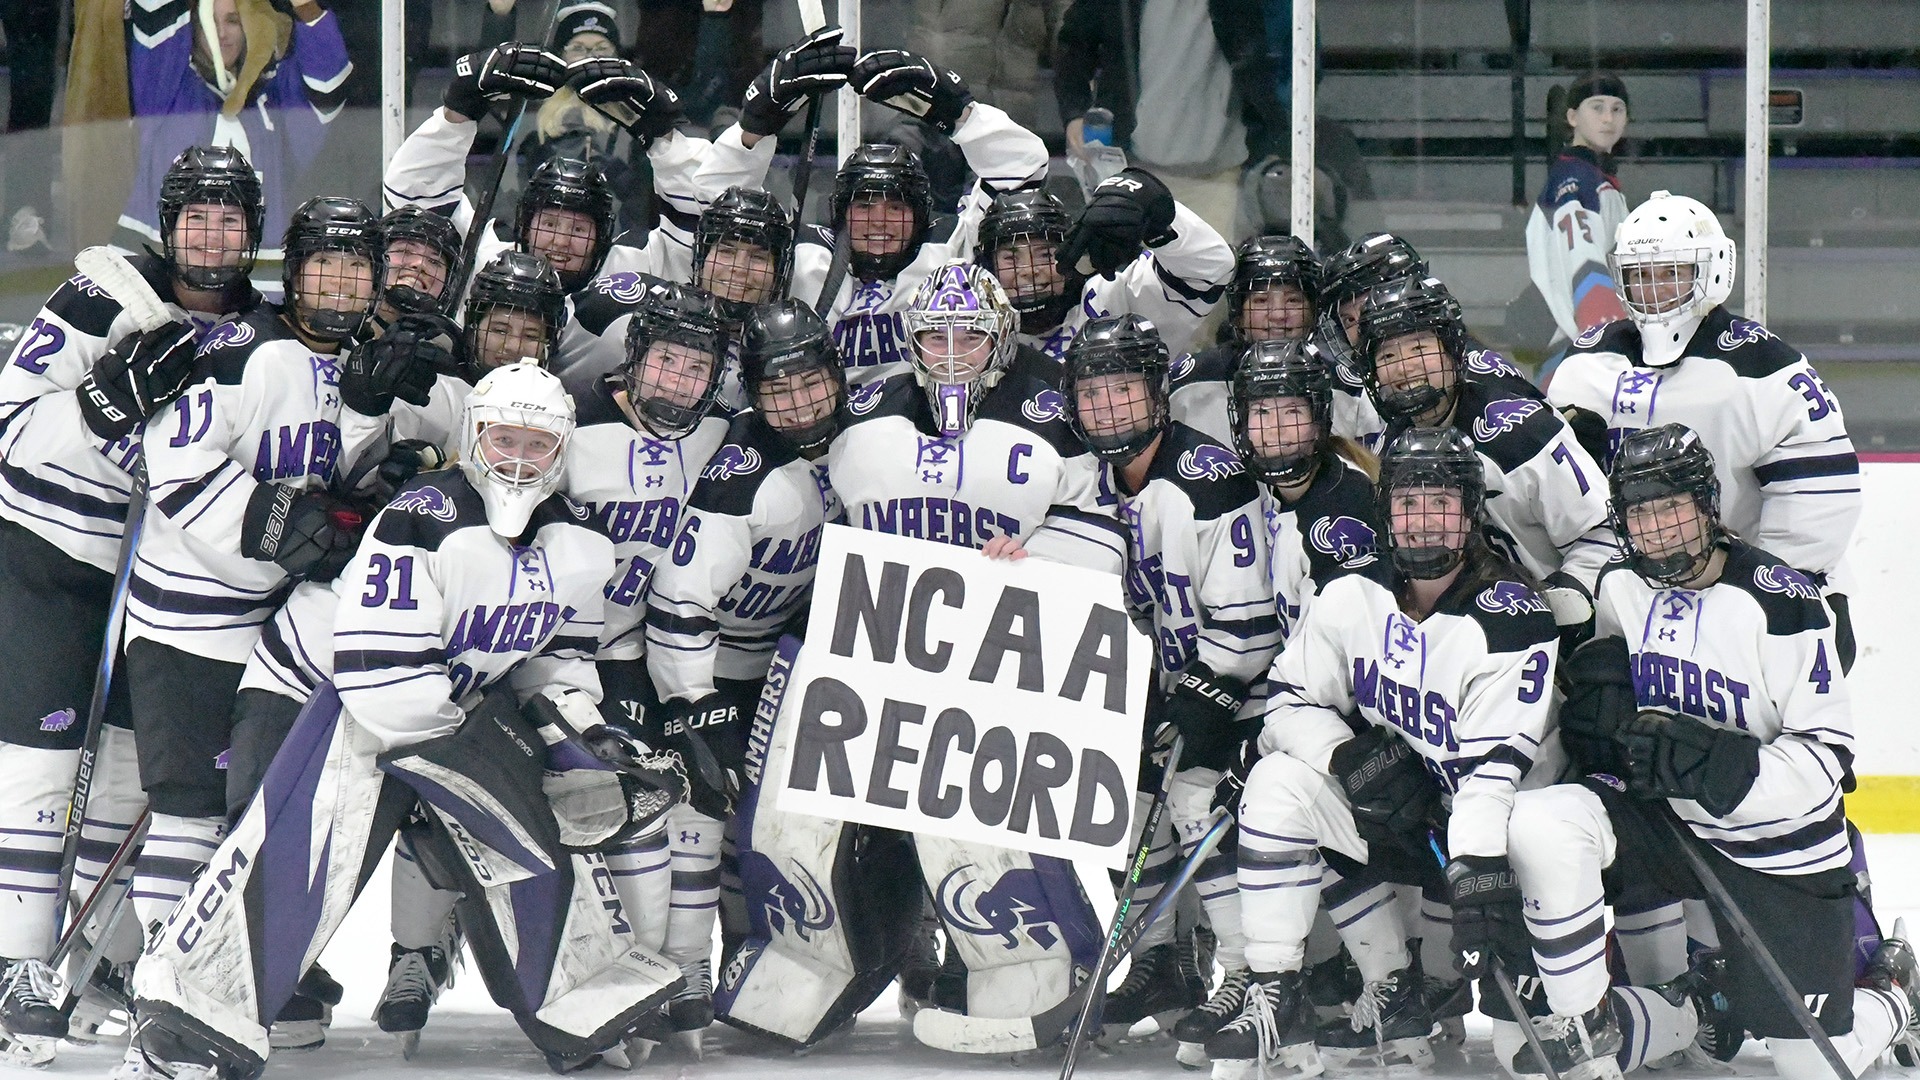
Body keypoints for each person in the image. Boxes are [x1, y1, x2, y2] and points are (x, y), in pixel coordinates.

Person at [127, 363, 689, 1080]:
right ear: (473, 439)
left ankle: (582, 995)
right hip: (315, 692)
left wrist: (578, 742)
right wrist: (482, 766)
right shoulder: (421, 518)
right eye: (502, 439)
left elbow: (558, 668)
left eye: (537, 444)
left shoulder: (579, 550)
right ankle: (197, 1008)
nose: (517, 459)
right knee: (290, 849)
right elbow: (377, 677)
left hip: (440, 709)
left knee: (542, 814)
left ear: (563, 450)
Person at [716, 263, 1123, 1048]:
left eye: (968, 335)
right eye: (932, 335)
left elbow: (1102, 534)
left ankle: (1017, 967)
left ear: (1001, 336)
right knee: (802, 810)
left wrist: (1038, 557)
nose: (949, 351)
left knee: (971, 820)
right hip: (865, 646)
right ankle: (804, 957)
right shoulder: (862, 410)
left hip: (994, 654)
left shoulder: (1055, 411)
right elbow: (805, 498)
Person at [1504, 423, 1920, 1080]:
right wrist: (1608, 725)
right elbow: (1614, 692)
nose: (1659, 528)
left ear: (1707, 506)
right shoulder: (1620, 587)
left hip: (1775, 846)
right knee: (1543, 821)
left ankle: (1894, 989)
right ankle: (1588, 1021)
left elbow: (1827, 760)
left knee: (1810, 1063)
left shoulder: (1784, 604)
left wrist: (1722, 762)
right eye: (1640, 514)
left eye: (1672, 507)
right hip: (1667, 825)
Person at [0, 145, 266, 1068]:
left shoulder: (260, 334)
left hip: (150, 580)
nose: (213, 236)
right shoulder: (101, 297)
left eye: (231, 219)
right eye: (197, 216)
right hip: (51, 560)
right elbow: (10, 430)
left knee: (123, 774)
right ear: (168, 222)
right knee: (41, 764)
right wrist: (105, 403)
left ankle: (89, 963)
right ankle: (17, 963)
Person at [1208, 427, 1561, 1078]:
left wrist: (1476, 865)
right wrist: (1347, 758)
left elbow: (1490, 782)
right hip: (1408, 818)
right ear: (1386, 511)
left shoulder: (1511, 616)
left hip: (1499, 843)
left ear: (1470, 514)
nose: (1423, 521)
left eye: (1441, 504)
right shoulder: (1350, 594)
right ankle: (1284, 993)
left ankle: (1465, 988)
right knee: (1281, 781)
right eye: (1408, 503)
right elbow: (1287, 701)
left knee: (1528, 1057)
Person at [117, 196, 382, 1053]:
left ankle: (242, 969)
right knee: (190, 810)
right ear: (290, 271)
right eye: (324, 265)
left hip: (272, 630)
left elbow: (340, 483)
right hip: (189, 625)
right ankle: (165, 982)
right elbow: (178, 469)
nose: (340, 283)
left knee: (258, 814)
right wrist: (272, 529)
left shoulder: (354, 365)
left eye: (358, 267)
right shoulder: (239, 350)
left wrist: (377, 441)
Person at [1060, 314, 1280, 1065]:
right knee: (1123, 809)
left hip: (1246, 685)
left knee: (1189, 802)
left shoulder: (1209, 480)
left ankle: (1251, 977)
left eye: (1126, 390)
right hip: (1163, 686)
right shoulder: (1079, 478)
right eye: (1094, 395)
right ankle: (1162, 966)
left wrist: (1200, 689)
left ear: (1159, 395)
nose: (1111, 410)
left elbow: (1251, 625)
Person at [638, 299, 847, 1048]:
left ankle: (794, 955)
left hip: (811, 664)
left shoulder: (875, 439)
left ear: (837, 372)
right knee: (703, 819)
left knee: (787, 829)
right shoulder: (742, 475)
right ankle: (689, 969)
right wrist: (697, 707)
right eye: (777, 389)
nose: (798, 403)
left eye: (810, 382)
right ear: (752, 395)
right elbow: (680, 602)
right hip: (726, 667)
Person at [1546, 190, 1862, 671]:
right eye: (1640, 275)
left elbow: (1818, 500)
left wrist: (1768, 592)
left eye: (1671, 272)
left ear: (1712, 270)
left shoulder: (1762, 367)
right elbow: (1570, 501)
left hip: (1737, 590)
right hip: (1628, 596)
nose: (1653, 290)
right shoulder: (1586, 363)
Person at [560, 279, 735, 1058]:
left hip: (637, 657)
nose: (680, 384)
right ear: (636, 357)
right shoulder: (566, 427)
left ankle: (680, 969)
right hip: (549, 660)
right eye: (667, 364)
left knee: (687, 811)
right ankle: (610, 971)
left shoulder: (716, 435)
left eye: (698, 371)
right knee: (597, 819)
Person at [693, 28, 1054, 384]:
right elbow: (716, 213)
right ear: (840, 213)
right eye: (864, 207)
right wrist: (754, 127)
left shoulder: (952, 249)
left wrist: (959, 114)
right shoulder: (801, 256)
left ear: (921, 216)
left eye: (896, 208)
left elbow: (1023, 169)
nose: (879, 221)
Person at [1352, 274, 1616, 627]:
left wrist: (1557, 607)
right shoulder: (1388, 450)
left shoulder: (1521, 433)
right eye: (1387, 355)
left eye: (1419, 348)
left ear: (1453, 351)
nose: (1405, 367)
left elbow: (1605, 534)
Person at [382, 40, 705, 297]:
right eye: (549, 223)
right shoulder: (486, 261)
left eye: (579, 229)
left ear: (603, 236)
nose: (561, 242)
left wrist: (665, 141)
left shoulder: (631, 276)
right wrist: (457, 113)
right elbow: (415, 205)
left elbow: (707, 240)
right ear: (523, 224)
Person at [120, 0, 352, 258]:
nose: (221, 33)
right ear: (191, 27)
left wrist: (305, 5)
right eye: (208, 21)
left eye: (233, 21)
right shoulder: (166, 86)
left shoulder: (274, 99)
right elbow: (157, 15)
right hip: (157, 274)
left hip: (256, 278)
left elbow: (329, 85)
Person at [974, 169, 1235, 364]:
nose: (1028, 270)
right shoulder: (964, 326)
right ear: (987, 267)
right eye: (1011, 258)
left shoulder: (1115, 296)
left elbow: (1211, 267)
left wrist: (1158, 216)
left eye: (1045, 254)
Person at [1227, 339, 1388, 643]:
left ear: (1318, 422)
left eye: (1292, 412)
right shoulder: (1259, 489)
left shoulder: (1348, 507)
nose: (1276, 428)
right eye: (1261, 412)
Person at [1167, 233, 1321, 447]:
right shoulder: (1187, 383)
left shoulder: (1344, 387)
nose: (1278, 314)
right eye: (1261, 300)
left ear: (1313, 311)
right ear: (1237, 313)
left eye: (1293, 300)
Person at [1526, 73, 1631, 366]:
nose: (1608, 118)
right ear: (1573, 117)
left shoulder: (1587, 177)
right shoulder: (1578, 180)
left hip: (1574, 349)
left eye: (1617, 109)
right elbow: (1587, 269)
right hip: (1583, 352)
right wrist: (1609, 345)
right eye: (1597, 107)